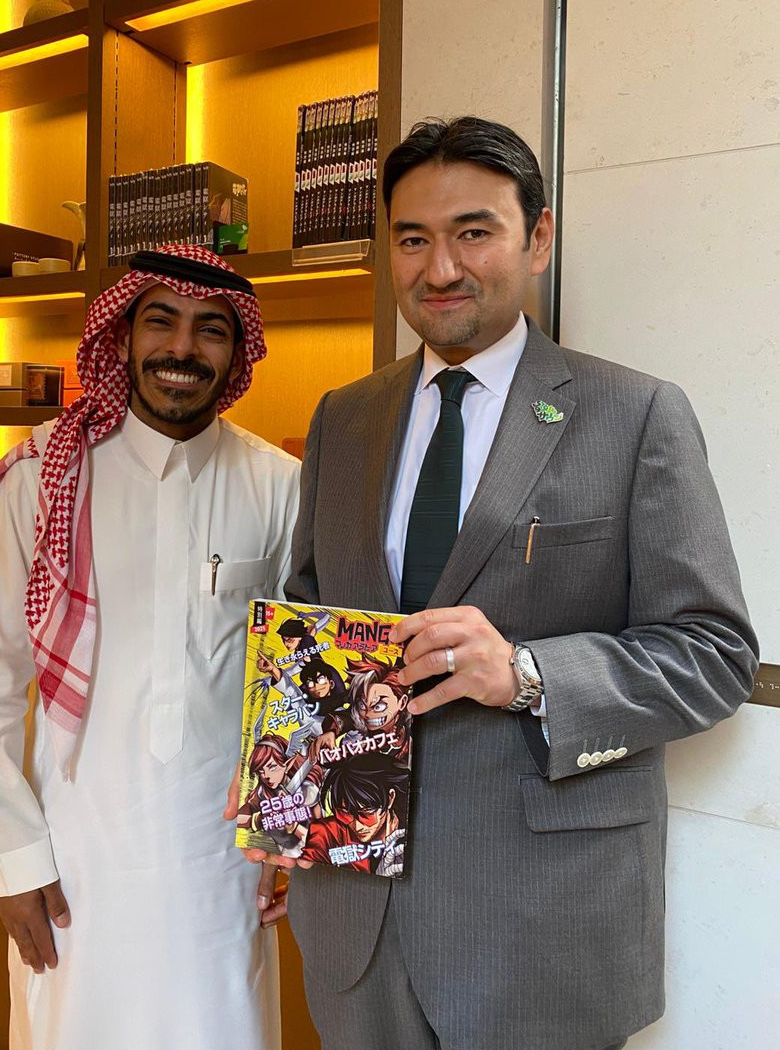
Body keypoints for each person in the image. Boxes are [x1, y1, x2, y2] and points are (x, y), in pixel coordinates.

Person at [262, 117, 758, 1050]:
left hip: (544, 925)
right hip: (355, 912)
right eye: (413, 239)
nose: (441, 268)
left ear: (537, 238)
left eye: (473, 232)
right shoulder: (343, 419)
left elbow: (714, 655)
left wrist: (526, 674)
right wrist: (289, 798)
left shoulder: (636, 414)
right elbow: (311, 626)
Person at [0, 245, 299, 1050]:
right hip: (74, 854)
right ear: (121, 337)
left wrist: (282, 837)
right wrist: (12, 859)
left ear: (238, 353)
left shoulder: (281, 485)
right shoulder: (41, 480)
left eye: (211, 330)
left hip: (221, 863)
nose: (182, 348)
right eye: (161, 321)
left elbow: (293, 680)